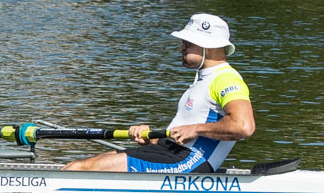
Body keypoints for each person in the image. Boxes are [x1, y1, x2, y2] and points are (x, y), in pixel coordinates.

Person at [64, 14, 256, 174]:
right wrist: (152, 138)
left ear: (209, 46)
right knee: (74, 167)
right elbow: (183, 136)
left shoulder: (227, 80)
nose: (181, 47)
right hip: (170, 153)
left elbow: (244, 126)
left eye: (188, 43)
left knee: (79, 169)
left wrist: (195, 129)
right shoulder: (203, 79)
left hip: (189, 163)